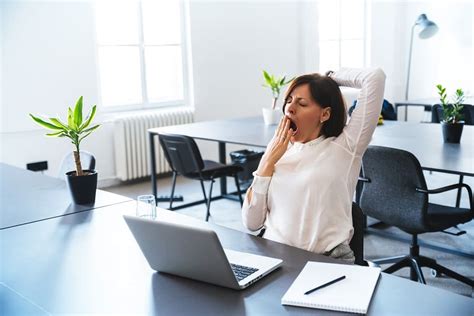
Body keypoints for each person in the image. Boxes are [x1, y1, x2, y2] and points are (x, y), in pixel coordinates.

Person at [242, 68, 386, 262]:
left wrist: (328, 78)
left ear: (325, 114)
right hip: (275, 255)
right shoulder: (277, 148)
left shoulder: (346, 146)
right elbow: (251, 223)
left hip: (326, 260)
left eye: (302, 103)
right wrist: (267, 162)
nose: (290, 108)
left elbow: (374, 78)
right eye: (289, 101)